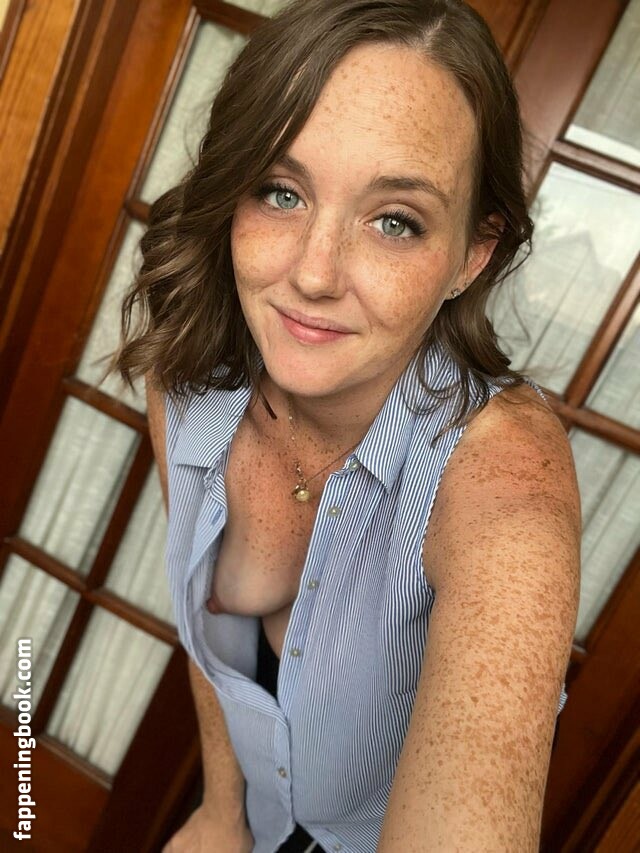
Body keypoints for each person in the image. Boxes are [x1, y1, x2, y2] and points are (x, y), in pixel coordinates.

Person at [110, 1, 581, 850]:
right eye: (280, 191)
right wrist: (223, 810)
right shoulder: (185, 381)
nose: (315, 273)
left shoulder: (504, 481)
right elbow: (209, 625)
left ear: (471, 255)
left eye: (395, 220)